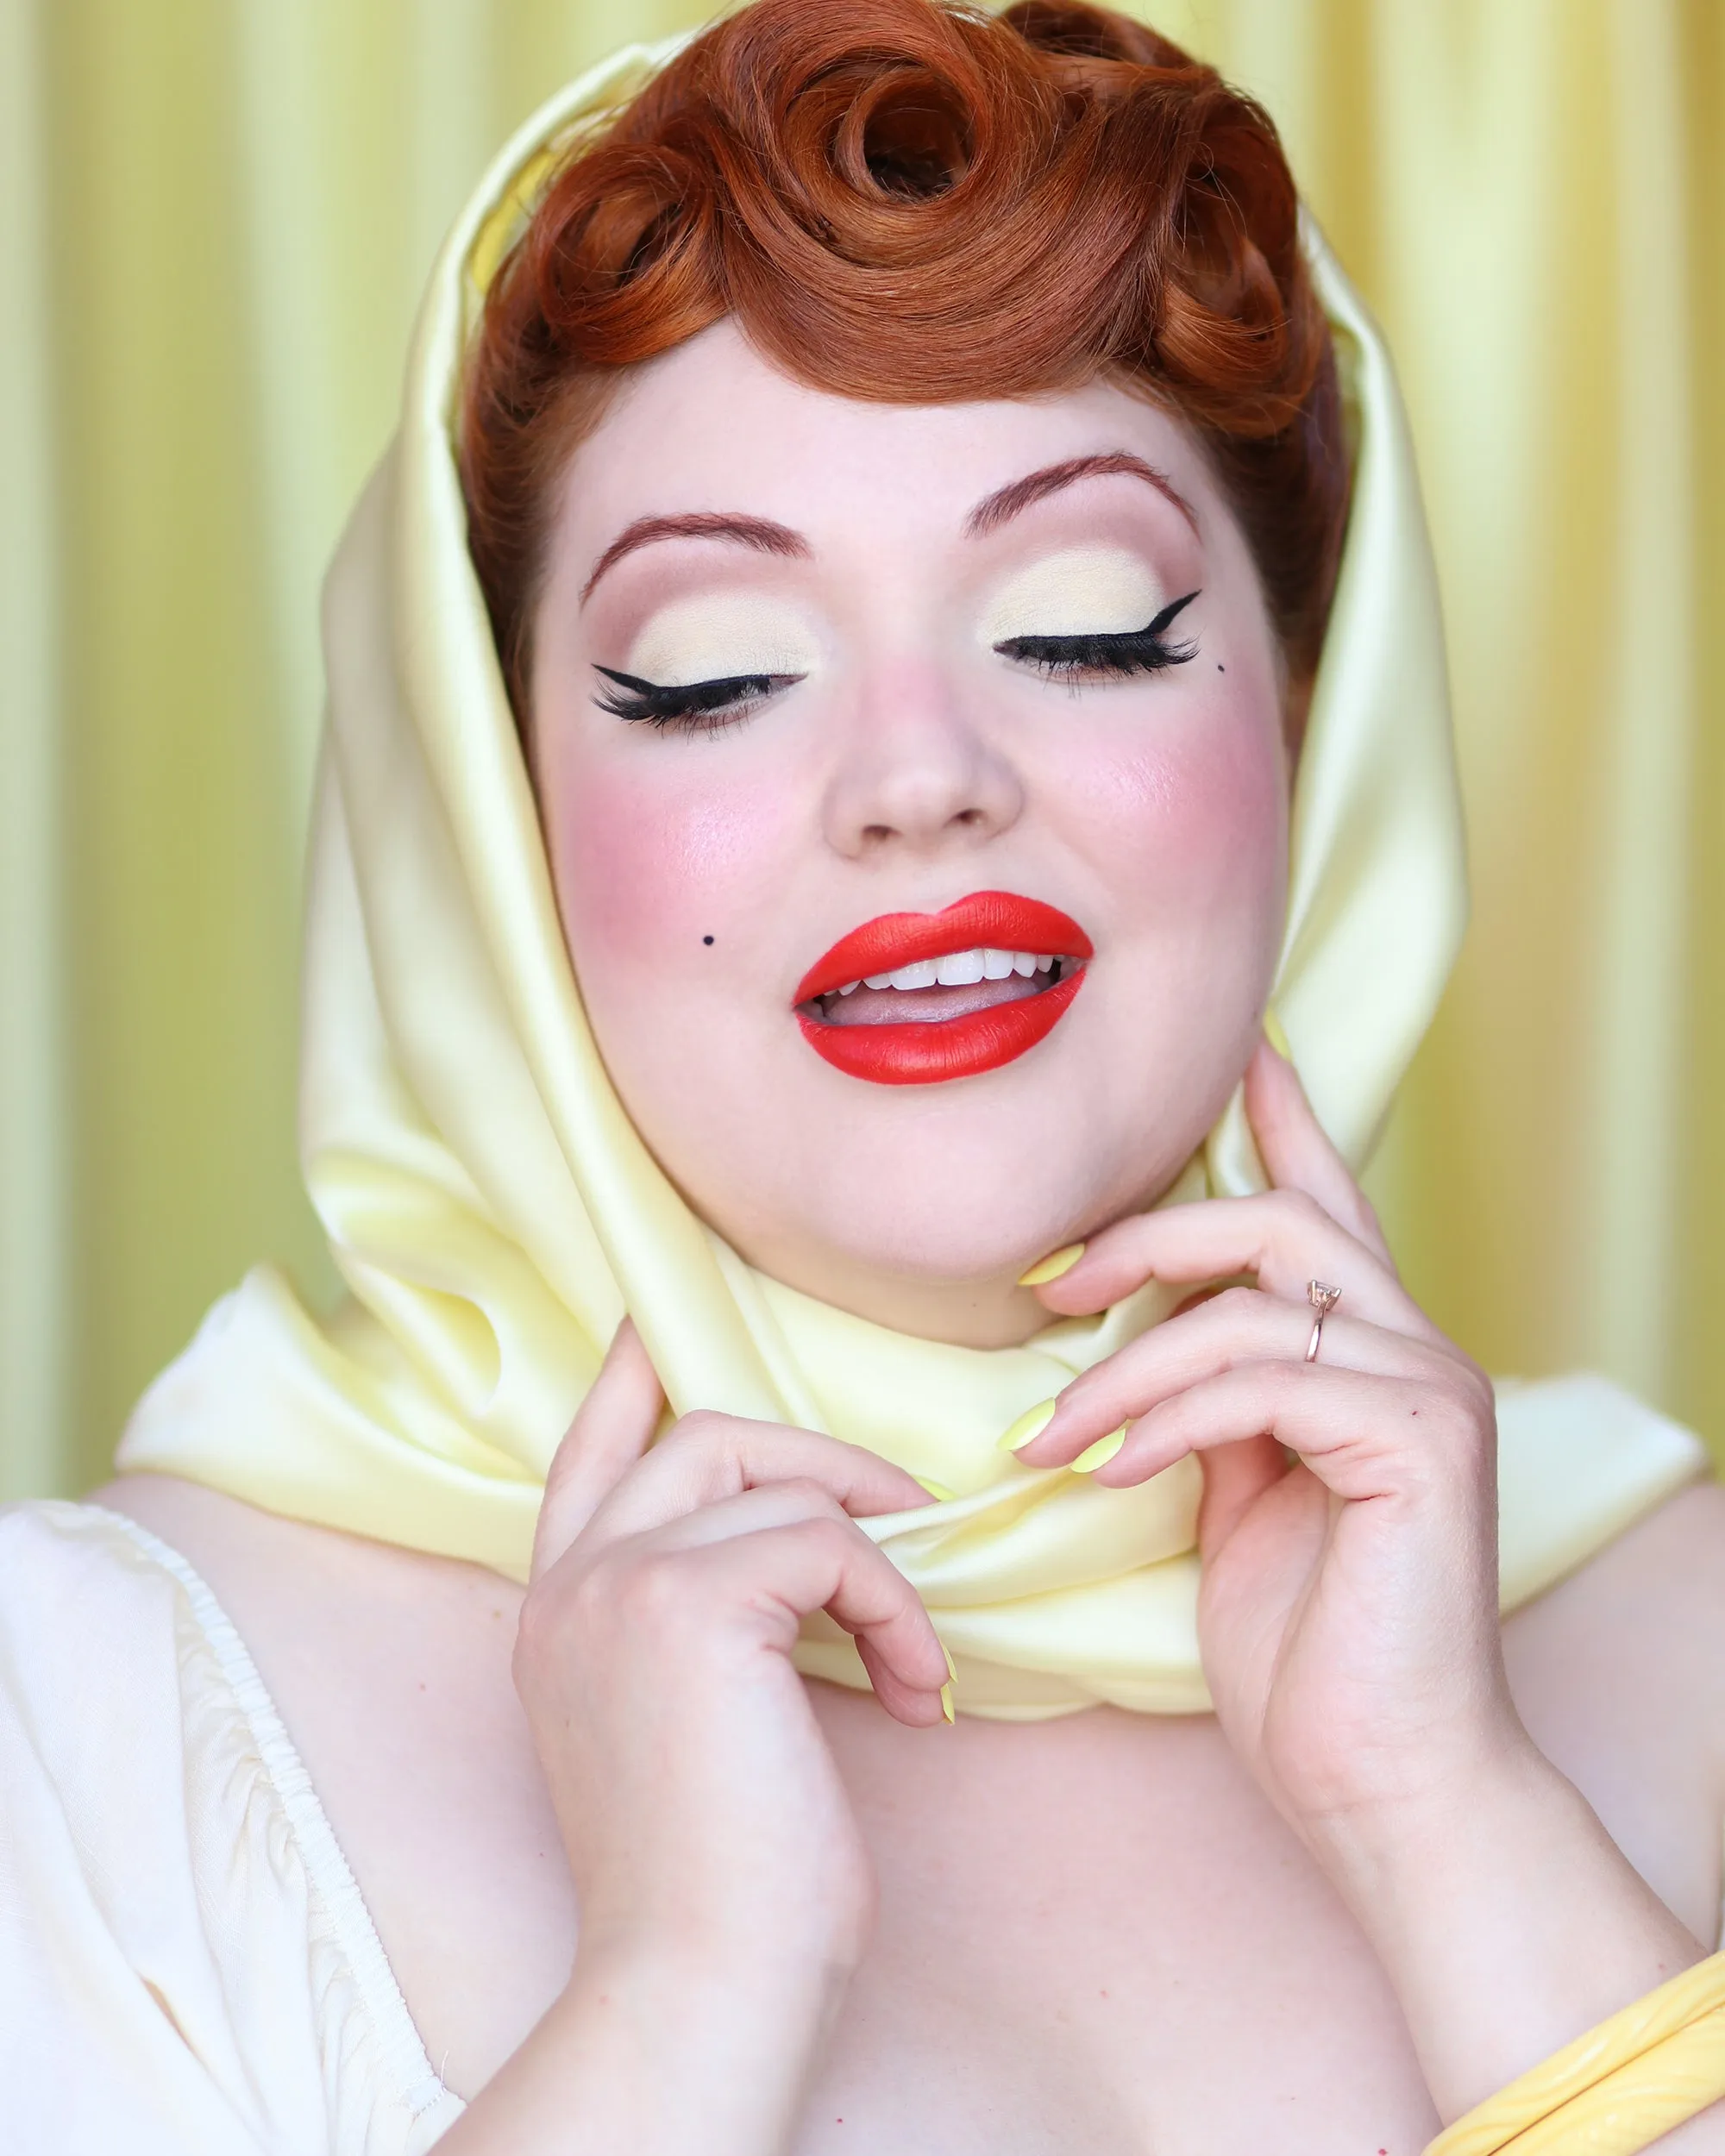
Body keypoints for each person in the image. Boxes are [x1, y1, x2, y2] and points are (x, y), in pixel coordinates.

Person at [3, 3, 1722, 2150]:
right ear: (489, 807)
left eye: (1083, 625)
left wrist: (1446, 1814)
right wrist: (677, 1999)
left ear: (1312, 718)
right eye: (709, 673)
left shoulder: (1673, 1621)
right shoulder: (96, 1713)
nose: (918, 776)